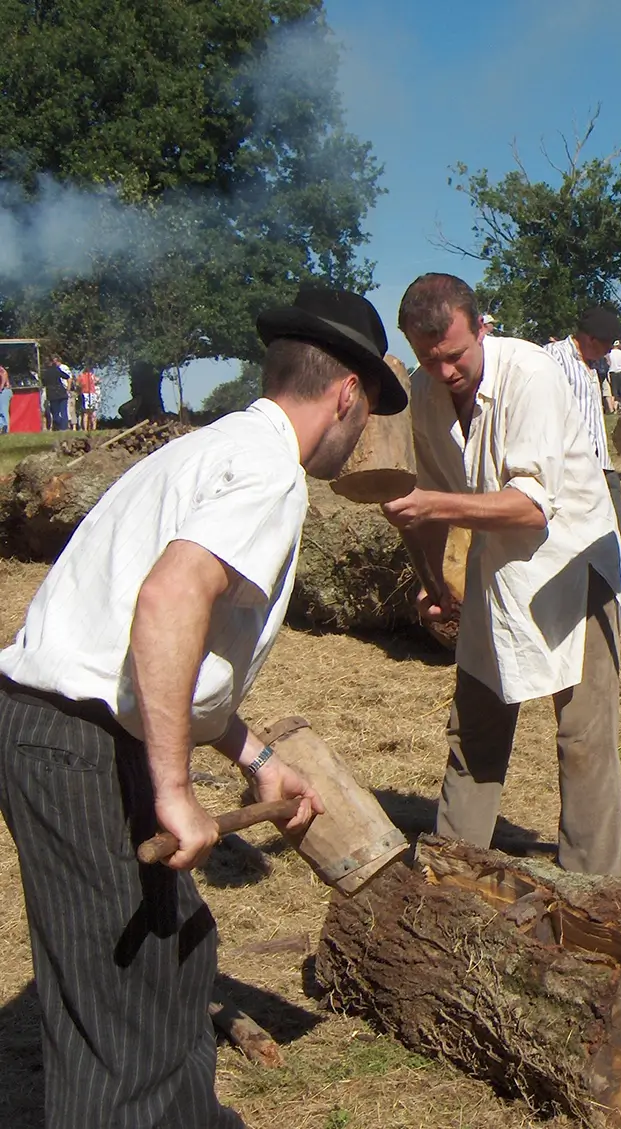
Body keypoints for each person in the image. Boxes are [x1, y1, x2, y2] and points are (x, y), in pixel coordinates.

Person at [0, 285, 402, 1127]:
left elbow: (182, 663)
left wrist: (257, 761)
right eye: (368, 415)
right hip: (76, 741)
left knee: (179, 953)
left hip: (73, 729)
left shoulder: (210, 449)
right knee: (121, 1032)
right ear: (347, 394)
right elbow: (168, 601)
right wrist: (176, 790)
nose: (362, 433)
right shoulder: (266, 472)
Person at [385, 274, 621, 876]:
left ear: (483, 327)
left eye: (455, 354)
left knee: (582, 739)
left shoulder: (529, 374)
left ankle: (592, 893)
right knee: (473, 729)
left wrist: (430, 505)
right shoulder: (422, 395)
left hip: (573, 567)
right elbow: (421, 503)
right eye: (429, 359)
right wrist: (432, 582)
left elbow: (530, 506)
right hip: (494, 571)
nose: (445, 371)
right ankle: (451, 876)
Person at [543, 307, 621, 546]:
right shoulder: (553, 356)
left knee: (616, 529)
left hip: (600, 461)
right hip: (570, 466)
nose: (609, 351)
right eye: (607, 344)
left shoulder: (595, 363)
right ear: (591, 339)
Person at [41, 356, 70, 431]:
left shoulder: (45, 373)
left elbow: (43, 382)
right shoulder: (57, 370)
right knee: (64, 411)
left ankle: (58, 425)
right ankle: (64, 427)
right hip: (61, 391)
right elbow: (66, 376)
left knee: (55, 412)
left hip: (51, 393)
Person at [0, 362, 10, 433]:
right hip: (3, 391)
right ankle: (3, 426)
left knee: (3, 410)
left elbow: (3, 381)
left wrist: (1, 387)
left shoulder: (2, 371)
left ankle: (6, 428)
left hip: (4, 392)